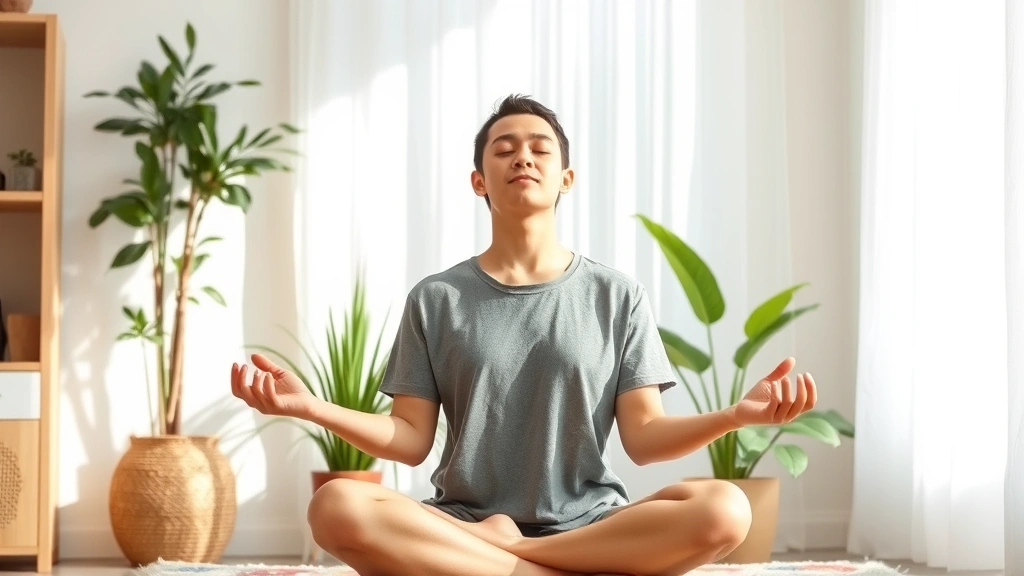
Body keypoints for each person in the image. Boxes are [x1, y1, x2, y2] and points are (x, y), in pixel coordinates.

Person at [230, 94, 818, 576]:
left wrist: (736, 416)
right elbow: (409, 438)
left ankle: (511, 560)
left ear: (566, 177)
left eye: (540, 149)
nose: (523, 159)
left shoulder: (616, 296)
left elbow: (644, 437)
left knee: (725, 509)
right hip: (460, 520)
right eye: (504, 150)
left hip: (592, 524)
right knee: (336, 506)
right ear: (479, 181)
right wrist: (308, 406)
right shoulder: (437, 299)